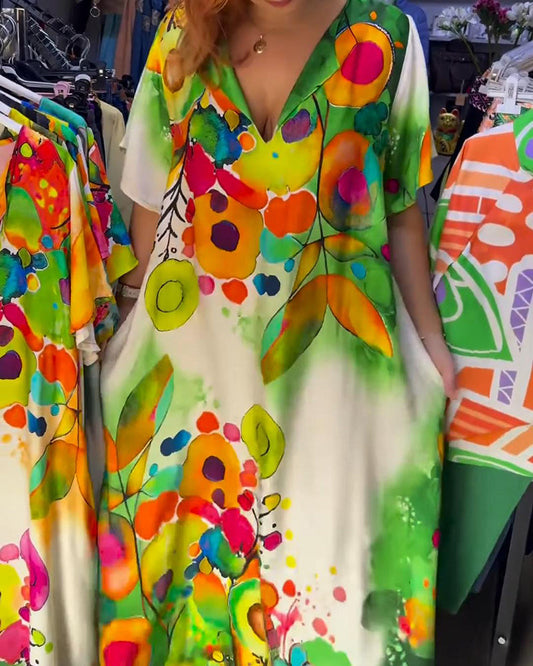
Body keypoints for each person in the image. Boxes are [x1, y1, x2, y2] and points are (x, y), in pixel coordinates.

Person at [98, 1, 455, 665]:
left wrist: (433, 350)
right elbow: (148, 204)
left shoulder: (387, 39)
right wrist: (123, 335)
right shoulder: (178, 32)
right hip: (187, 391)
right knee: (186, 606)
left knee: (328, 606)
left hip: (333, 387)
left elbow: (402, 210)